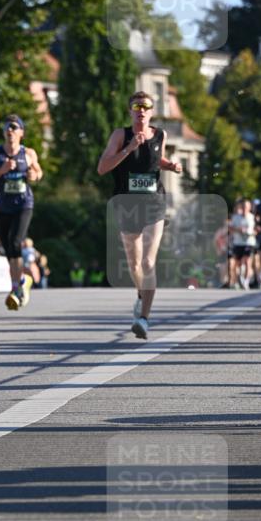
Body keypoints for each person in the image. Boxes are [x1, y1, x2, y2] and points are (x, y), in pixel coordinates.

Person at [97, 91, 182, 339]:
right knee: (134, 264)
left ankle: (144, 318)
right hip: (127, 204)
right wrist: (129, 148)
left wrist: (171, 166)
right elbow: (102, 168)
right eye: (137, 106)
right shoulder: (120, 135)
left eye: (146, 107)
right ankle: (140, 295)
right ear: (130, 111)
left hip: (154, 203)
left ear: (152, 112)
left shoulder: (160, 135)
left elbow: (156, 159)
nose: (141, 111)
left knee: (147, 262)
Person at [0, 113, 43, 310]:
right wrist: (1, 171)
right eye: (6, 127)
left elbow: (38, 172)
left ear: (21, 133)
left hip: (23, 204)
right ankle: (21, 282)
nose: (9, 130)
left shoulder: (28, 153)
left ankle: (16, 289)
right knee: (8, 247)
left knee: (16, 241)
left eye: (13, 127)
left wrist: (33, 175)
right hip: (2, 206)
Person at [228, 198, 256, 290]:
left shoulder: (252, 217)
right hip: (238, 242)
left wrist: (251, 232)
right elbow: (231, 228)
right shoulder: (235, 217)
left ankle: (246, 281)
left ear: (249, 207)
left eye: (247, 206)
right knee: (238, 263)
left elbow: (257, 229)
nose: (245, 208)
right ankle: (239, 277)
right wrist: (238, 230)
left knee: (248, 261)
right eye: (243, 206)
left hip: (249, 242)